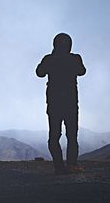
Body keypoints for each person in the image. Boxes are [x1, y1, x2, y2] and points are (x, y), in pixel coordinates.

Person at [36, 33, 86, 174]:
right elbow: (82, 71)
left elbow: (39, 72)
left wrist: (52, 58)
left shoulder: (49, 59)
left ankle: (59, 166)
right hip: (70, 103)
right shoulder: (75, 58)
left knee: (54, 136)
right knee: (72, 136)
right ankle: (71, 165)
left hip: (54, 103)